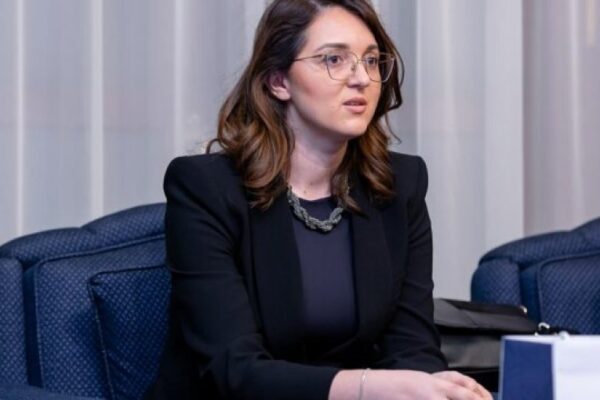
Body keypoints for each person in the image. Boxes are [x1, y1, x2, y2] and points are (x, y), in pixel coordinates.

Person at [146, 1, 492, 399]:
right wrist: (368, 387)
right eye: (334, 60)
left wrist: (436, 389)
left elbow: (412, 347)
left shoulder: (400, 184)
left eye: (371, 60)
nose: (361, 78)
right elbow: (235, 371)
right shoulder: (206, 187)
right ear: (279, 81)